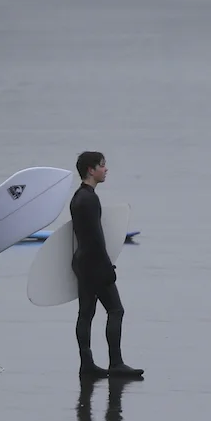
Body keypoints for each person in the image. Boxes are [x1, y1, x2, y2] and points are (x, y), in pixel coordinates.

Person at [71, 151, 143, 378]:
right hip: (94, 265)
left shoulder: (78, 197)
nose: (106, 169)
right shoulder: (89, 199)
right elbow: (95, 238)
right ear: (91, 170)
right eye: (102, 166)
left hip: (82, 262)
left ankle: (87, 364)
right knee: (115, 310)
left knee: (86, 313)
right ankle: (116, 362)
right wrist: (107, 268)